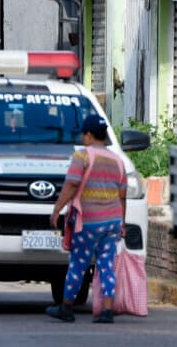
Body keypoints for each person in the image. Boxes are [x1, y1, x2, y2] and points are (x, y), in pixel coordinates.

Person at [46, 115, 127, 323]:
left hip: (88, 221)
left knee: (78, 264)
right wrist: (122, 223)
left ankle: (66, 307)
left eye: (84, 134)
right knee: (106, 265)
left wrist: (57, 209)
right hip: (112, 222)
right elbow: (122, 195)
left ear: (89, 135)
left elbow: (72, 185)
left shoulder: (82, 157)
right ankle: (107, 311)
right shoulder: (118, 160)